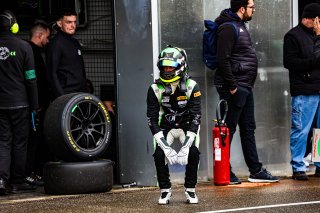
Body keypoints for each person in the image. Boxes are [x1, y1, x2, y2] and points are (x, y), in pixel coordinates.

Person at [214, 0, 279, 184]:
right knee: (229, 129)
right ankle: (224, 170)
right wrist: (233, 85)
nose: (254, 9)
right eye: (251, 6)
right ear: (242, 8)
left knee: (248, 128)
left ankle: (255, 171)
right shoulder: (228, 28)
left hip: (244, 86)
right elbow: (222, 59)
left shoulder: (240, 25)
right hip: (235, 87)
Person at [147, 46, 201, 204]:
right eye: (164, 66)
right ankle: (165, 191)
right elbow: (151, 119)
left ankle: (190, 190)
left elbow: (197, 116)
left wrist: (185, 146)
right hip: (166, 126)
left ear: (180, 66)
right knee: (158, 154)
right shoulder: (154, 88)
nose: (167, 69)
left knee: (193, 153)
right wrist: (165, 146)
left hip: (187, 125)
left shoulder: (192, 86)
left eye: (171, 66)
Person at [0, 10, 38, 195]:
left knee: (3, 142)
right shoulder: (24, 47)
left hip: (1, 104)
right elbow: (30, 78)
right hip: (20, 103)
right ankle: (17, 180)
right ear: (14, 26)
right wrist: (35, 105)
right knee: (20, 143)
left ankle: (1, 180)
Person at [283, 3, 320, 181]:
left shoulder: (317, 35)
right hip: (304, 90)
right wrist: (312, 62)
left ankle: (319, 163)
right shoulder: (293, 36)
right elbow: (290, 63)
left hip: (318, 88)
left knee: (319, 131)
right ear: (312, 19)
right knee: (301, 130)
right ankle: (298, 166)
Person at [25, 21, 51, 186]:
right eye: (47, 37)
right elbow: (33, 80)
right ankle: (28, 173)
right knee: (31, 141)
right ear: (40, 35)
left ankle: (29, 172)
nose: (48, 41)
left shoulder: (27, 51)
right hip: (33, 106)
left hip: (28, 104)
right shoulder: (31, 53)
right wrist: (36, 104)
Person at [46, 9, 87, 100]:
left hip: (80, 93)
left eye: (74, 22)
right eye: (69, 22)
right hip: (66, 94)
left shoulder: (75, 42)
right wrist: (62, 97)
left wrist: (85, 90)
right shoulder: (55, 44)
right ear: (60, 24)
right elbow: (51, 73)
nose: (73, 26)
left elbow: (81, 69)